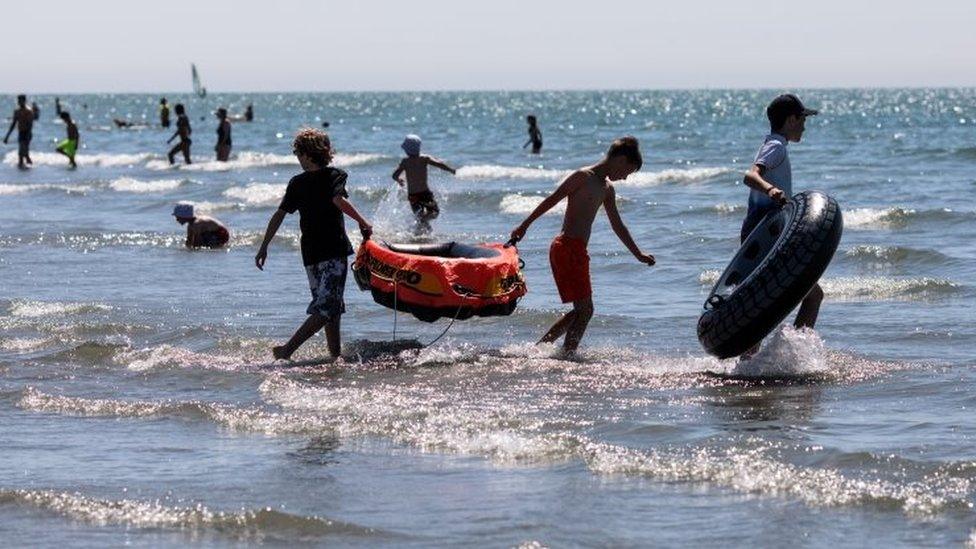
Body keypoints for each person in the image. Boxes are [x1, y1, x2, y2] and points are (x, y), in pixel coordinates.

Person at [510, 136, 655, 353]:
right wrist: (524, 226)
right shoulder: (582, 176)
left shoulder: (607, 189)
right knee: (585, 310)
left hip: (578, 251)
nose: (625, 178)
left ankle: (543, 348)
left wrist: (638, 254)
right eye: (628, 171)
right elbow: (552, 199)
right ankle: (567, 354)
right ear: (621, 160)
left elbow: (618, 225)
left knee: (582, 310)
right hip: (565, 248)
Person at [255, 128, 373, 360]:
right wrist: (363, 221)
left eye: (299, 153)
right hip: (332, 249)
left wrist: (264, 245)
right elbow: (338, 200)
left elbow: (279, 214)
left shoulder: (298, 182)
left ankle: (334, 354)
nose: (298, 158)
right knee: (327, 306)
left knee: (331, 304)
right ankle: (286, 350)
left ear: (309, 154)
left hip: (311, 252)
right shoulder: (334, 176)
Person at [740, 93, 822, 357]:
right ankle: (788, 356)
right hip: (766, 236)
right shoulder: (776, 146)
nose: (804, 126)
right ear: (790, 120)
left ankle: (750, 362)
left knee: (764, 301)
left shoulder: (774, 143)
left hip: (762, 234)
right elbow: (750, 175)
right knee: (812, 295)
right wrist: (771, 190)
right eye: (802, 119)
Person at [391, 134, 456, 233]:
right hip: (425, 194)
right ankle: (422, 231)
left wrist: (399, 180)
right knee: (434, 212)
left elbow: (394, 175)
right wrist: (451, 170)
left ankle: (418, 231)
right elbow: (439, 164)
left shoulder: (405, 162)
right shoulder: (424, 159)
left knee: (419, 217)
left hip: (413, 196)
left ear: (406, 149)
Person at [3, 95, 34, 169]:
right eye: (18, 101)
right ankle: (26, 169)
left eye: (21, 100)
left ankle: (24, 169)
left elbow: (30, 124)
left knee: (22, 153)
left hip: (27, 133)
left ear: (24, 101)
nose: (19, 102)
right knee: (24, 154)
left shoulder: (28, 111)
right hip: (21, 133)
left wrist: (28, 135)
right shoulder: (17, 111)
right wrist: (7, 136)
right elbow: (13, 124)